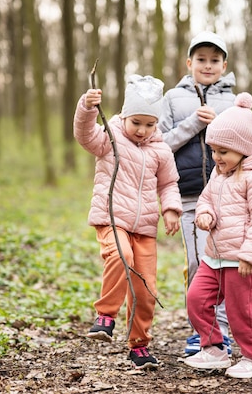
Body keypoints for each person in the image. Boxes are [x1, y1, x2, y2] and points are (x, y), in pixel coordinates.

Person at [74, 74, 183, 370]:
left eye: (149, 124)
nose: (142, 130)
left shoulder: (160, 150)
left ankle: (139, 346)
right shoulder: (110, 136)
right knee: (121, 257)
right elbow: (85, 136)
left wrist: (171, 208)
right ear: (125, 116)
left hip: (145, 227)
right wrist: (87, 107)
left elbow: (168, 184)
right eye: (136, 122)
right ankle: (105, 316)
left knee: (146, 288)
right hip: (111, 219)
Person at [183, 92, 252, 379]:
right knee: (196, 299)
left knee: (241, 312)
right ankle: (214, 348)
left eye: (223, 152)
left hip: (242, 260)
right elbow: (207, 199)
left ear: (242, 148)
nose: (216, 158)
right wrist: (205, 214)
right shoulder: (219, 174)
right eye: (213, 151)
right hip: (214, 256)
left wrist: (250, 254)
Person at [158, 31, 236, 356]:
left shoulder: (233, 101)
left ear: (224, 64)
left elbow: (242, 147)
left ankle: (221, 331)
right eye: (201, 59)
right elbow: (158, 145)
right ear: (189, 63)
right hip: (189, 196)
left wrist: (220, 130)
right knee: (198, 263)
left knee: (223, 263)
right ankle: (201, 332)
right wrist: (193, 124)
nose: (207, 65)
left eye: (214, 60)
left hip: (226, 196)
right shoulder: (173, 99)